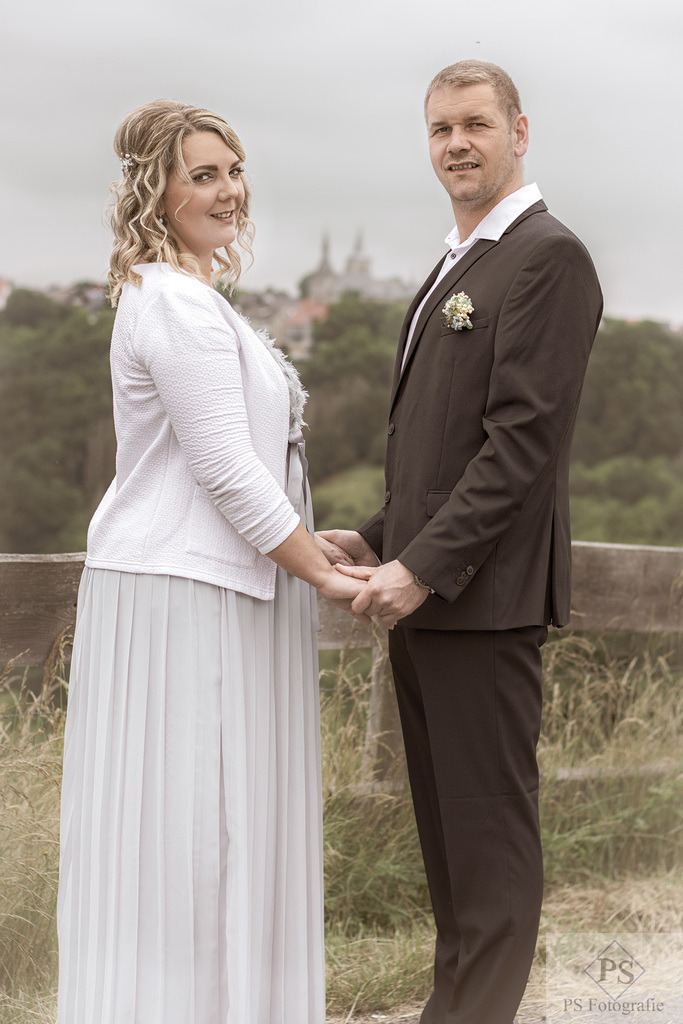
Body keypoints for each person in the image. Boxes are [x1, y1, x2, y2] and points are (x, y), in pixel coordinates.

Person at [56, 99, 363, 1024]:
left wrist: (313, 538)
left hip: (219, 584)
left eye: (232, 171)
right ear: (159, 191)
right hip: (186, 595)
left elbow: (249, 463)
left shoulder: (182, 296)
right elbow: (225, 469)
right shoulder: (178, 304)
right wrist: (325, 577)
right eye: (203, 175)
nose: (228, 191)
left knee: (213, 832)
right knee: (193, 834)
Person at [319, 60, 603, 1024]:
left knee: (487, 847)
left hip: (481, 601)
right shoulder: (455, 260)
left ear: (519, 130)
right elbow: (439, 448)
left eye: (475, 124)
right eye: (439, 128)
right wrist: (373, 538)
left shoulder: (545, 255)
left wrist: (422, 567)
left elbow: (520, 445)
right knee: (448, 850)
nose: (456, 144)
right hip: (428, 592)